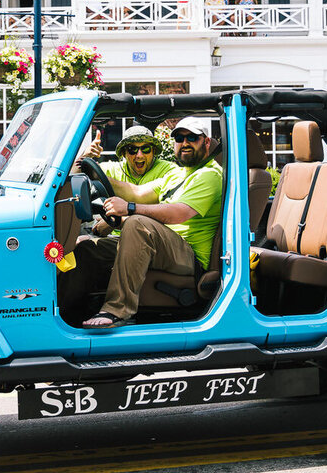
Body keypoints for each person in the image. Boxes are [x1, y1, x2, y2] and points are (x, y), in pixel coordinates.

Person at [78, 117, 223, 328]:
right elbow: (136, 192)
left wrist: (128, 208)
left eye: (192, 138)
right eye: (179, 138)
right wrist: (93, 172)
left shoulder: (209, 175)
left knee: (137, 224)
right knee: (87, 247)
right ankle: (68, 309)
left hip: (189, 256)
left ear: (206, 142)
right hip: (164, 248)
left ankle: (118, 310)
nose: (185, 143)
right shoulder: (177, 174)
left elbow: (178, 214)